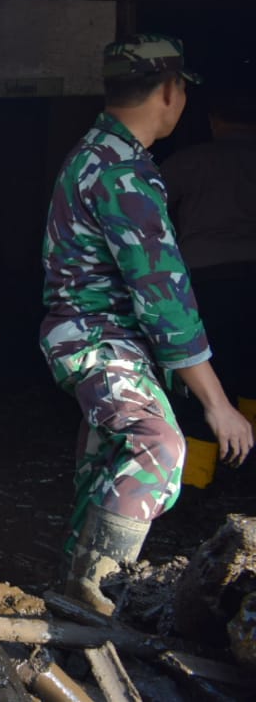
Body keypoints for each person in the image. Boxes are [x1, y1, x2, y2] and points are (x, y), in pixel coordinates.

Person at [39, 34, 253, 616]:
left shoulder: (96, 153)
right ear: (168, 90)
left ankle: (69, 595)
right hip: (98, 338)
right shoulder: (123, 172)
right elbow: (164, 299)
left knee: (106, 464)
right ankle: (95, 596)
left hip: (90, 335)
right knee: (159, 447)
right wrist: (217, 403)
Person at [160, 90, 256, 483]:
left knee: (203, 372)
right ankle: (247, 465)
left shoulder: (192, 161)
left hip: (205, 279)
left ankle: (197, 479)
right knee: (249, 367)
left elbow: (147, 203)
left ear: (215, 121)